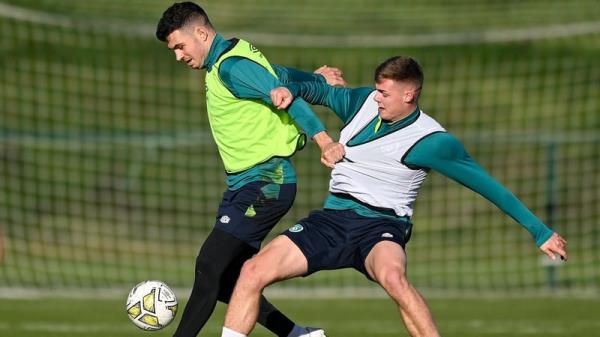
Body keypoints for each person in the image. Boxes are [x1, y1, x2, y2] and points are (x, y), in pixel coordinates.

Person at [221, 56, 569, 337]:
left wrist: (540, 232)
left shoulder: (433, 141)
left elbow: (489, 186)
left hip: (381, 226)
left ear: (409, 94)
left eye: (384, 93)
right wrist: (285, 87)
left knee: (394, 279)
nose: (376, 97)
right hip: (333, 220)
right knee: (252, 271)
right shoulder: (362, 102)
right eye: (376, 90)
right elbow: (315, 91)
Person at [155, 2, 346, 337]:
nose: (178, 57)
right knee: (228, 279)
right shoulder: (234, 59)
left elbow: (287, 98)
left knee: (208, 266)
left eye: (180, 46)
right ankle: (299, 334)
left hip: (266, 183)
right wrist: (317, 80)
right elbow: (283, 77)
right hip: (247, 185)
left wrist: (324, 140)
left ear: (201, 32)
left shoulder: (231, 69)